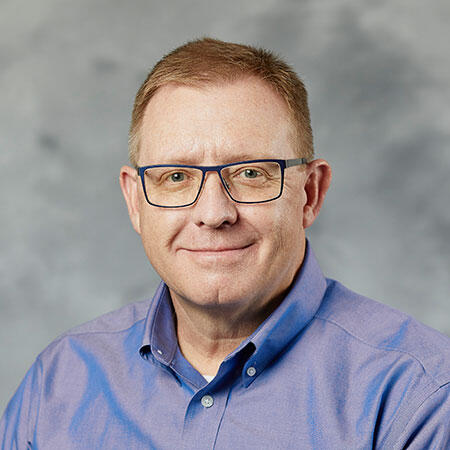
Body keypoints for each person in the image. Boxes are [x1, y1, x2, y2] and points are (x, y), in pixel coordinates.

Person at [1, 38, 449, 449]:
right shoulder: (58, 384)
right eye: (176, 176)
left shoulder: (419, 396)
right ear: (135, 201)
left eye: (250, 173)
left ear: (310, 194)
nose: (214, 213)